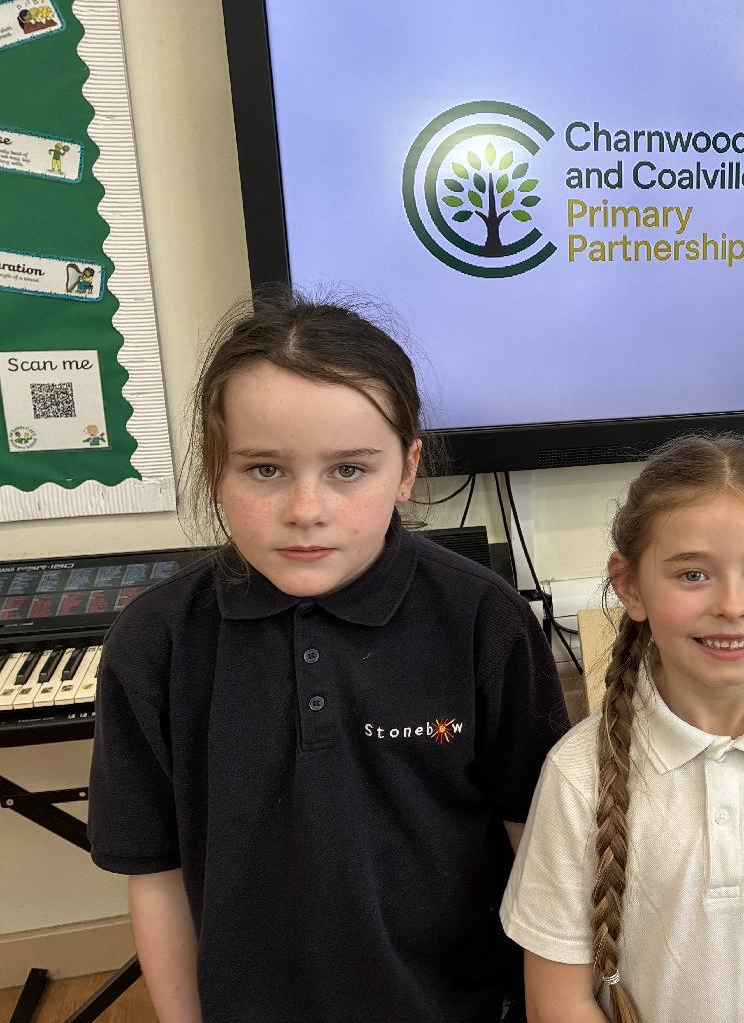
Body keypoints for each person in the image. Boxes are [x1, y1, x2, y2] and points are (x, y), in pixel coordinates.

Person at [89, 289, 568, 1022]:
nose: (306, 510)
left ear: (406, 470)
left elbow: (538, 848)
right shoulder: (155, 642)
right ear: (215, 470)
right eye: (265, 470)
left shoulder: (483, 619)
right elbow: (155, 876)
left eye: (348, 470)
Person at [501, 434, 744, 1023]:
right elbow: (557, 999)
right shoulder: (578, 773)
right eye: (692, 574)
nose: (732, 605)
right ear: (630, 586)